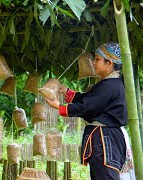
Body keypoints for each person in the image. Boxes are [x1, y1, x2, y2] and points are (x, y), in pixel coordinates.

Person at [45, 42, 134, 180]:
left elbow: (87, 106)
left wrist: (60, 107)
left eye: (97, 59)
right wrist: (66, 92)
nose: (93, 63)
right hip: (108, 138)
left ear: (109, 63)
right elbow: (89, 99)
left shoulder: (110, 85)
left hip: (105, 140)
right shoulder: (111, 84)